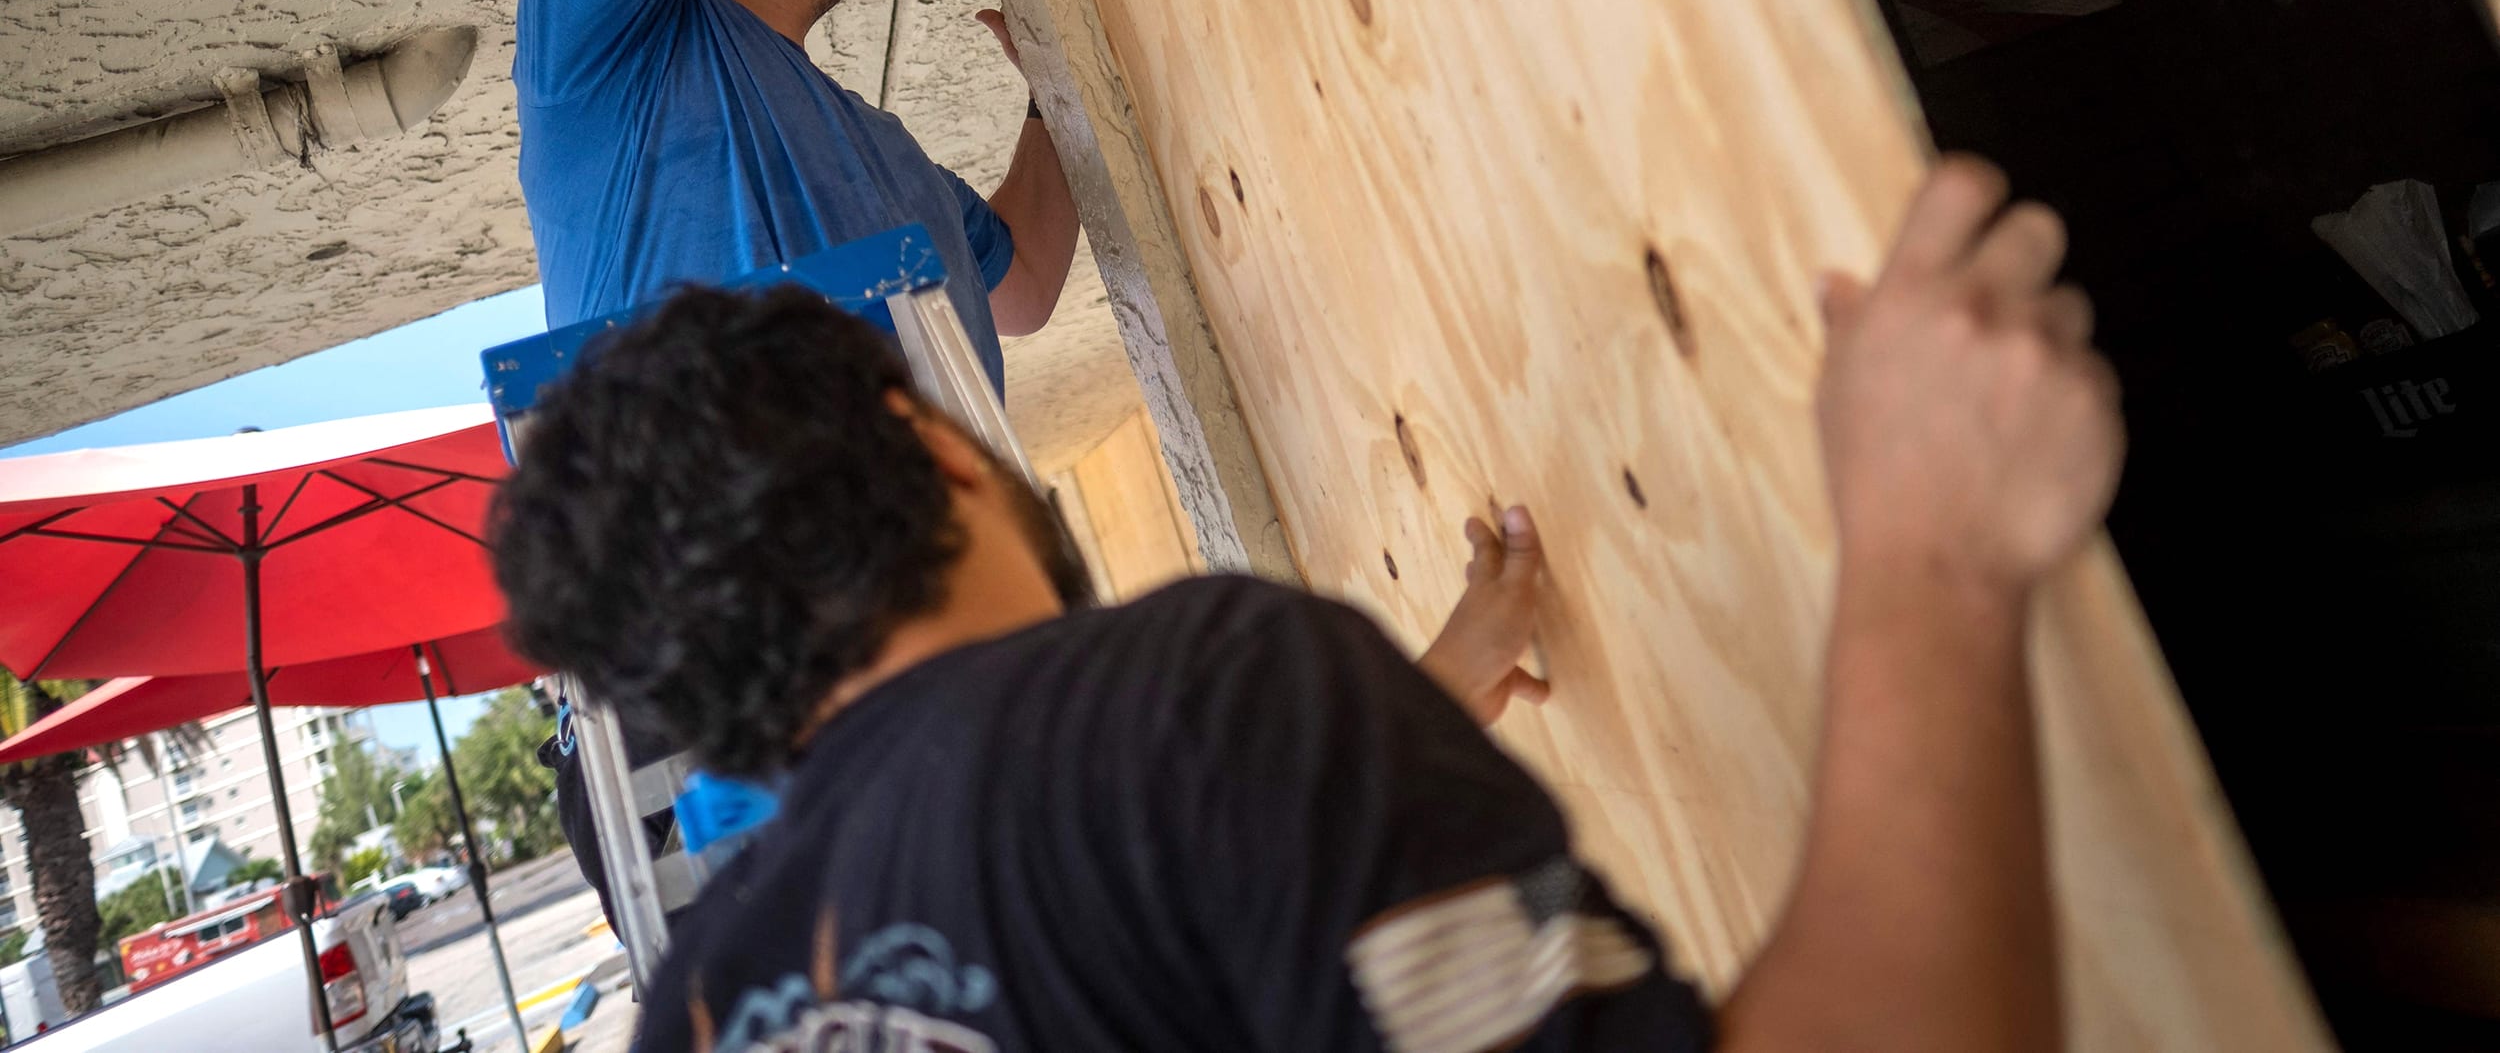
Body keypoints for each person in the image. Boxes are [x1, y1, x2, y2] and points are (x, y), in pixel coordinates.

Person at [491, 157, 2122, 1053]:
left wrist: (1405, 705)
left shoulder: (696, 1007)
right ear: (935, 438)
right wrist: (1931, 543)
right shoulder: (1199, 696)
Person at [512, 0, 1081, 911]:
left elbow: (1026, 281)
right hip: (717, 649)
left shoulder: (885, 157)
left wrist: (1051, 100)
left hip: (927, 622)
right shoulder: (605, 68)